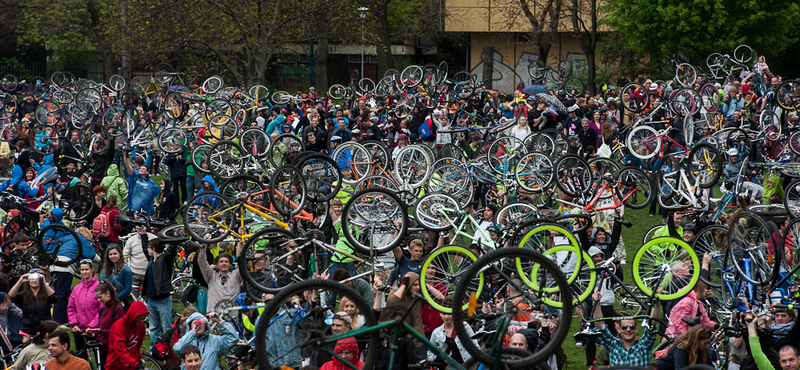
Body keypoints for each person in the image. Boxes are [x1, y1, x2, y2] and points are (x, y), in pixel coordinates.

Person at [590, 293, 662, 367]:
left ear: (636, 329)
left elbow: (652, 323)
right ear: (619, 329)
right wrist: (597, 303)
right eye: (624, 327)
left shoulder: (644, 345)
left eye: (632, 327)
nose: (628, 330)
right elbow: (600, 326)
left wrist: (658, 300)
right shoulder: (613, 345)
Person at [143, 238, 180, 352]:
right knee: (153, 328)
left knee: (167, 327)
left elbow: (171, 252)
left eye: (149, 247)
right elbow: (145, 249)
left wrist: (174, 238)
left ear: (153, 249)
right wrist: (142, 234)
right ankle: (154, 350)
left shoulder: (164, 260)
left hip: (163, 299)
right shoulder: (151, 260)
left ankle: (169, 350)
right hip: (151, 300)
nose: (147, 250)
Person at [173, 311, 238, 370]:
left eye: (202, 323)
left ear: (206, 325)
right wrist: (193, 332)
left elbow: (233, 338)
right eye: (195, 323)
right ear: (189, 326)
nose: (199, 325)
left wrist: (220, 321)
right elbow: (177, 349)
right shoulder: (186, 341)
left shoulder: (214, 340)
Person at [67, 260, 102, 359]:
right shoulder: (77, 288)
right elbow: (71, 308)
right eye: (82, 270)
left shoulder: (99, 287)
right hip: (80, 330)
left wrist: (92, 326)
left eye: (87, 269)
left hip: (95, 330)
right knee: (81, 359)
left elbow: (102, 310)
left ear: (92, 269)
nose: (84, 272)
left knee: (99, 358)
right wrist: (74, 324)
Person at [9, 271, 57, 342]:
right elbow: (10, 297)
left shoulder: (46, 294)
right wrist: (20, 281)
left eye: (37, 279)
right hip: (27, 328)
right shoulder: (24, 295)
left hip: (43, 327)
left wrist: (44, 283)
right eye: (32, 278)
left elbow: (55, 298)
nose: (34, 280)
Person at [89, 280, 125, 370]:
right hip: (101, 348)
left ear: (108, 293)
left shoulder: (118, 309)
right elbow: (101, 328)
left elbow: (119, 332)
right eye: (97, 298)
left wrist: (100, 331)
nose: (99, 300)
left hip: (112, 350)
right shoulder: (103, 309)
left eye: (100, 297)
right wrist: (93, 334)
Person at [198, 245, 242, 315]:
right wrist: (204, 246)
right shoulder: (211, 275)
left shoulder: (236, 275)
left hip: (232, 317)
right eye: (221, 262)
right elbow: (201, 261)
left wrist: (241, 242)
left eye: (226, 262)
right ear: (217, 264)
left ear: (230, 264)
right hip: (213, 317)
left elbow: (243, 264)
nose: (224, 263)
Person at [106, 301, 149, 370]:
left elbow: (137, 346)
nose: (141, 321)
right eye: (139, 318)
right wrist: (135, 364)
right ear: (133, 315)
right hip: (116, 365)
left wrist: (138, 359)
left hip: (131, 364)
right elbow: (120, 351)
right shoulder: (119, 327)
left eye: (143, 319)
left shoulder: (140, 325)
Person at [123, 224, 158, 292]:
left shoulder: (154, 239)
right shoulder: (131, 240)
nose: (140, 229)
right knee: (132, 296)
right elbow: (125, 255)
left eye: (142, 227)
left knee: (148, 295)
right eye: (138, 227)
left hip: (149, 273)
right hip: (134, 273)